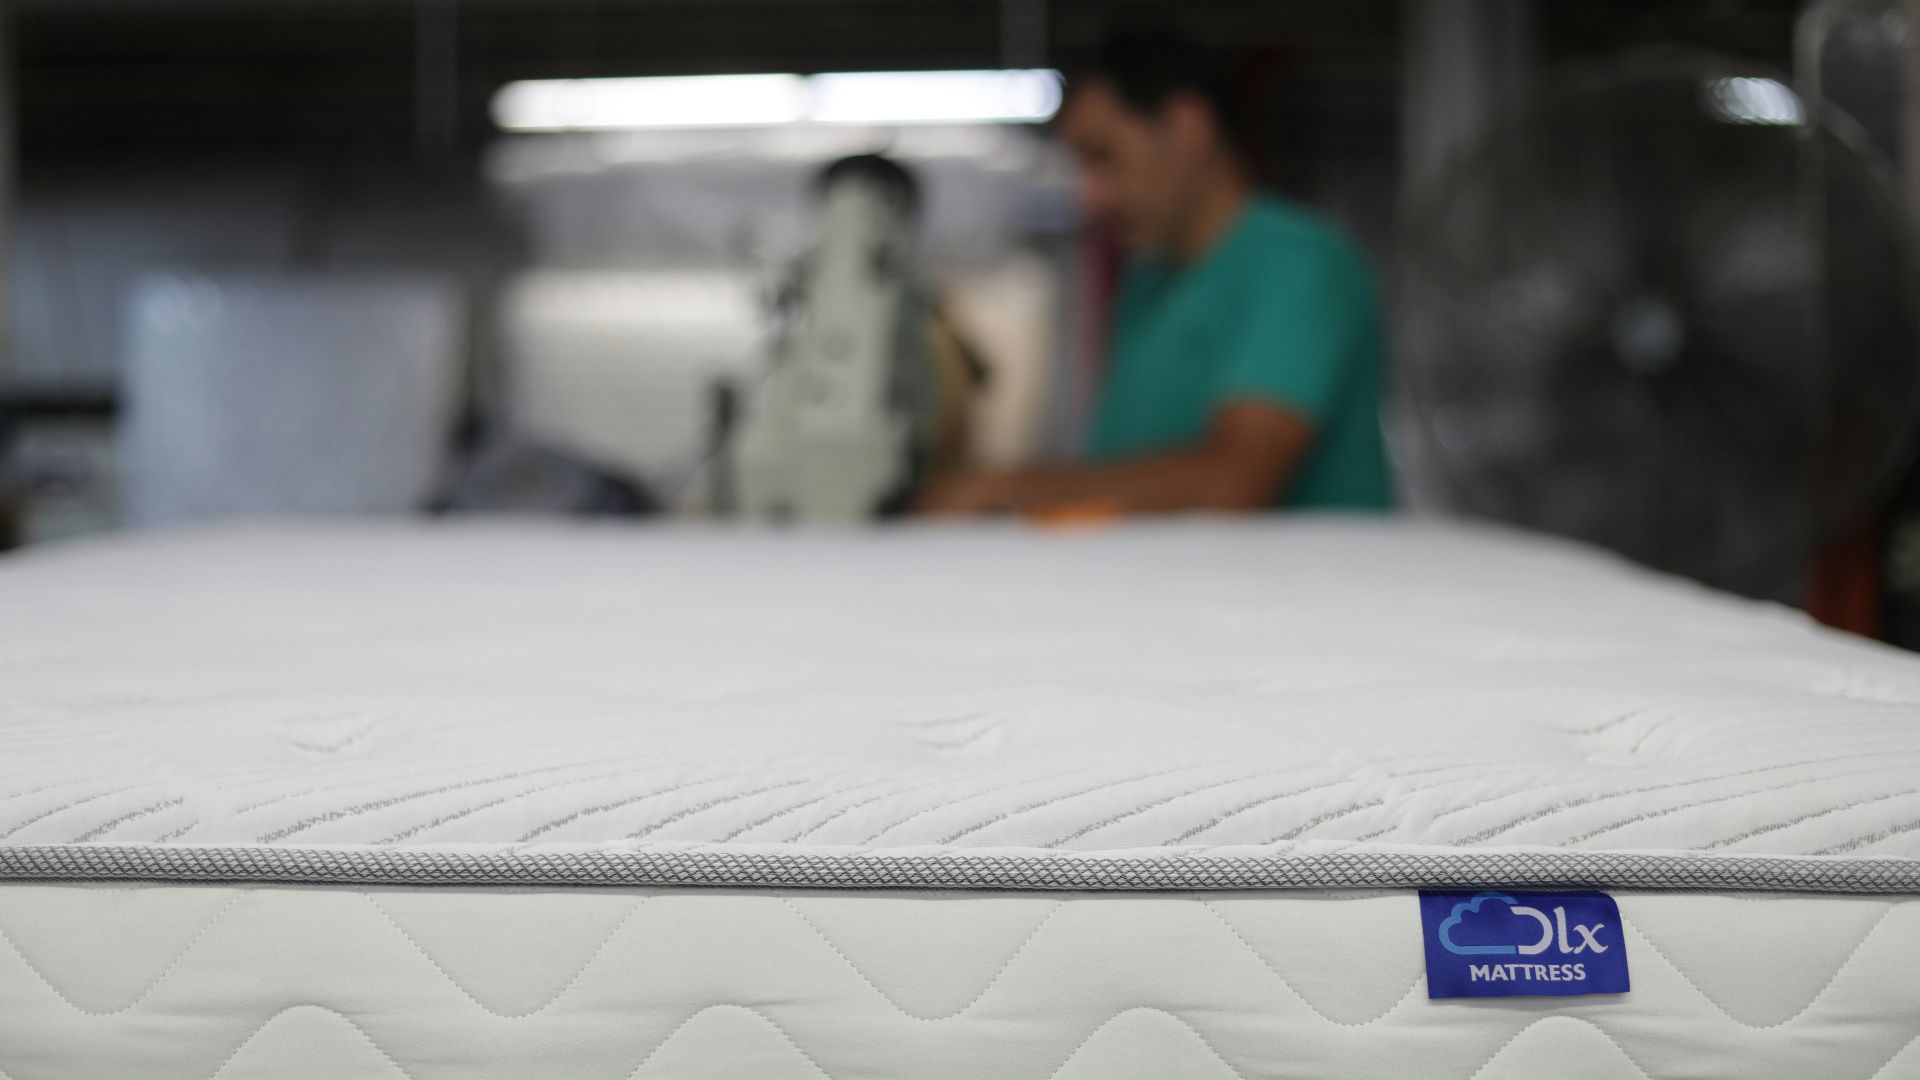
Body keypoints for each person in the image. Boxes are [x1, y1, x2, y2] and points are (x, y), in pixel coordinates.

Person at [917, 30, 1392, 516]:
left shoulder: (1300, 264)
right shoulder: (1147, 284)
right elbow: (1119, 478)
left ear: (1187, 127)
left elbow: (1229, 486)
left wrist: (999, 490)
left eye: (1104, 156)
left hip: (1307, 590)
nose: (1091, 196)